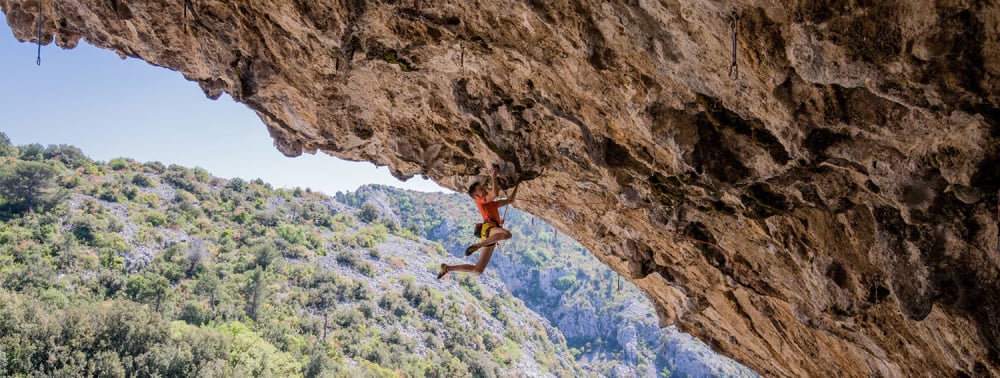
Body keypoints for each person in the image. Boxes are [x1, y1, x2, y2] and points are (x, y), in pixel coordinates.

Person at [438, 166, 516, 279]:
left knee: (478, 270)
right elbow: (494, 194)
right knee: (507, 234)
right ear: (476, 195)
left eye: (483, 188)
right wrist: (494, 176)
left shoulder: (493, 204)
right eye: (481, 189)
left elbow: (510, 200)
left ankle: (447, 268)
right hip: (488, 229)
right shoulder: (480, 201)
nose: (484, 189)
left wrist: (518, 185)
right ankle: (478, 245)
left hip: (488, 234)